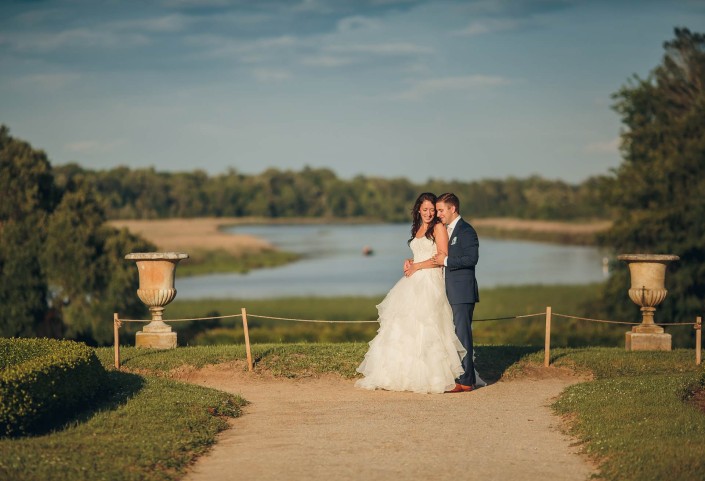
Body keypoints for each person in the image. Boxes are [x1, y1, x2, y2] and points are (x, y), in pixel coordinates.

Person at [355, 192, 467, 394]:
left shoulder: (439, 228)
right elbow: (422, 252)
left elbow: (442, 256)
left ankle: (432, 376)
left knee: (428, 327)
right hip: (414, 280)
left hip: (430, 280)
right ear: (418, 210)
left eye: (433, 210)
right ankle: (399, 374)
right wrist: (410, 261)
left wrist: (417, 265)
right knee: (403, 327)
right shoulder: (418, 227)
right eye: (425, 210)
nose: (429, 213)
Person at [432, 192, 480, 392]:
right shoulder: (446, 230)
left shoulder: (466, 230)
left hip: (462, 292)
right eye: (437, 210)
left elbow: (472, 259)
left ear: (453, 208)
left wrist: (445, 261)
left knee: (462, 335)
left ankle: (466, 381)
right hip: (449, 290)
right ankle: (460, 377)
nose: (438, 214)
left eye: (441, 210)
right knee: (454, 335)